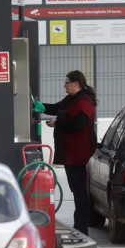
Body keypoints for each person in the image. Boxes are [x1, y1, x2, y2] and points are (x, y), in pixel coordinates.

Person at [43, 70, 98, 235]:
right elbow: (57, 108)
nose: (64, 85)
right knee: (76, 190)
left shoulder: (84, 102)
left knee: (79, 191)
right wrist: (38, 105)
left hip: (78, 154)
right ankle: (80, 226)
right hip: (70, 153)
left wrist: (58, 122)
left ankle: (82, 227)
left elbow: (79, 124)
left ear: (76, 83)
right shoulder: (71, 99)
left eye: (66, 82)